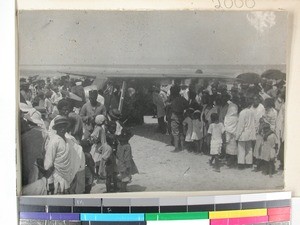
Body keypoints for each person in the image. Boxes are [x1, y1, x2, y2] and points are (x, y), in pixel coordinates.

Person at [44, 116, 72, 194]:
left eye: (64, 127)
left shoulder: (68, 141)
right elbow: (48, 162)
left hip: (66, 175)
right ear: (56, 128)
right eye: (60, 127)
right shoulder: (54, 141)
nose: (63, 129)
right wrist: (50, 182)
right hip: (57, 175)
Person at [236, 96, 256, 169]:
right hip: (250, 133)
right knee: (249, 149)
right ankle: (249, 163)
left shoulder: (242, 113)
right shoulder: (252, 112)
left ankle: (241, 164)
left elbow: (240, 125)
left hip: (243, 133)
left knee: (241, 149)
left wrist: (237, 136)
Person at [170, 85, 189, 152]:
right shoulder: (181, 98)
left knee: (175, 133)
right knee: (181, 132)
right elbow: (187, 105)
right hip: (181, 116)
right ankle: (182, 146)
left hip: (174, 116)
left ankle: (177, 147)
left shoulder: (173, 99)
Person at [224, 95, 239, 167]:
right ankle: (233, 161)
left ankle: (229, 161)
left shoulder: (227, 117)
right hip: (234, 134)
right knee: (234, 148)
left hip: (228, 134)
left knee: (228, 148)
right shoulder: (237, 117)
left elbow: (226, 126)